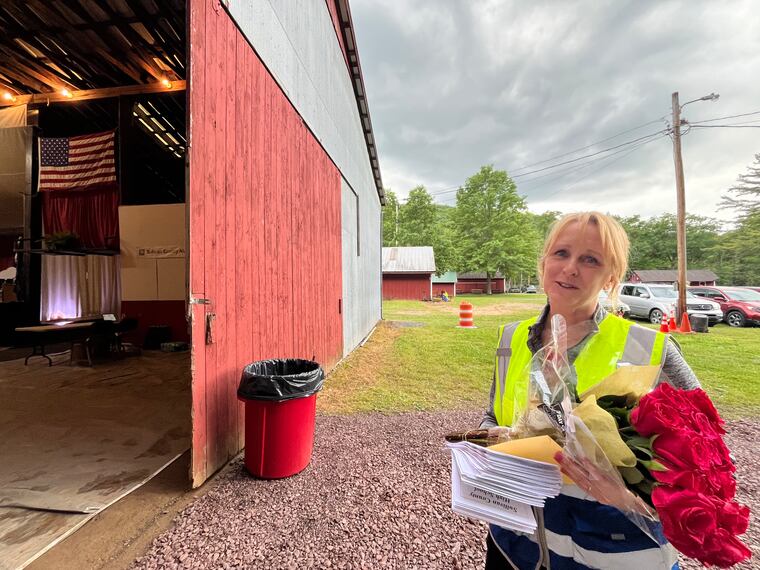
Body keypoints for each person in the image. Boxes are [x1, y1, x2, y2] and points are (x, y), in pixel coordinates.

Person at [480, 212, 699, 570]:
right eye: (561, 253)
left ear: (611, 276)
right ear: (544, 262)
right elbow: (494, 413)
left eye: (590, 259)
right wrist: (485, 443)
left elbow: (706, 464)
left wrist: (627, 498)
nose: (570, 269)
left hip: (615, 553)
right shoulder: (511, 338)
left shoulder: (650, 349)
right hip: (516, 544)